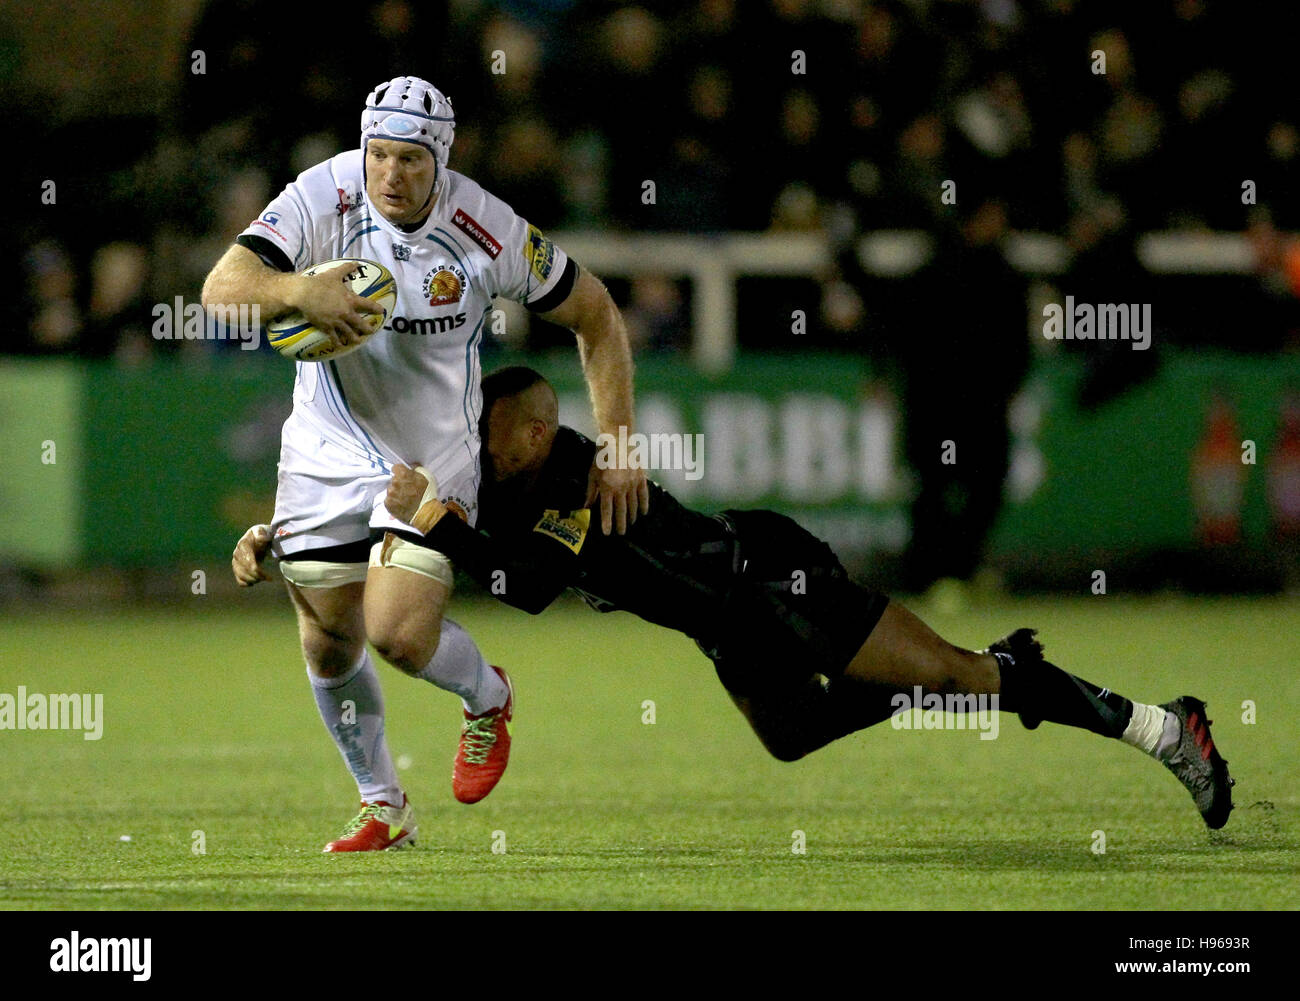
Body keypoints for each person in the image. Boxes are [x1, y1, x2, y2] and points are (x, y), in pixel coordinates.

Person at [234, 366, 1236, 831]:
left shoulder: (574, 473)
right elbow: (401, 515)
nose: (486, 442)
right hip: (726, 619)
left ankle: (1161, 727)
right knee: (795, 732)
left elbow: (525, 584)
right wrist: (284, 537)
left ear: (534, 431)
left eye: (498, 428)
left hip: (766, 580)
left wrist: (438, 524)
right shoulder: (494, 475)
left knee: (960, 673)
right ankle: (979, 673)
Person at [206, 78, 649, 852]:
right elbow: (221, 290)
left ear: (440, 157)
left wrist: (617, 444)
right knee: (327, 643)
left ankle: (488, 696)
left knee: (400, 636)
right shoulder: (324, 193)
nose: (389, 175)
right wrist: (298, 290)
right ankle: (384, 805)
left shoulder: (485, 227)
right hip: (325, 446)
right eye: (378, 154)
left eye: (410, 159)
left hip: (432, 454)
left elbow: (598, 313)